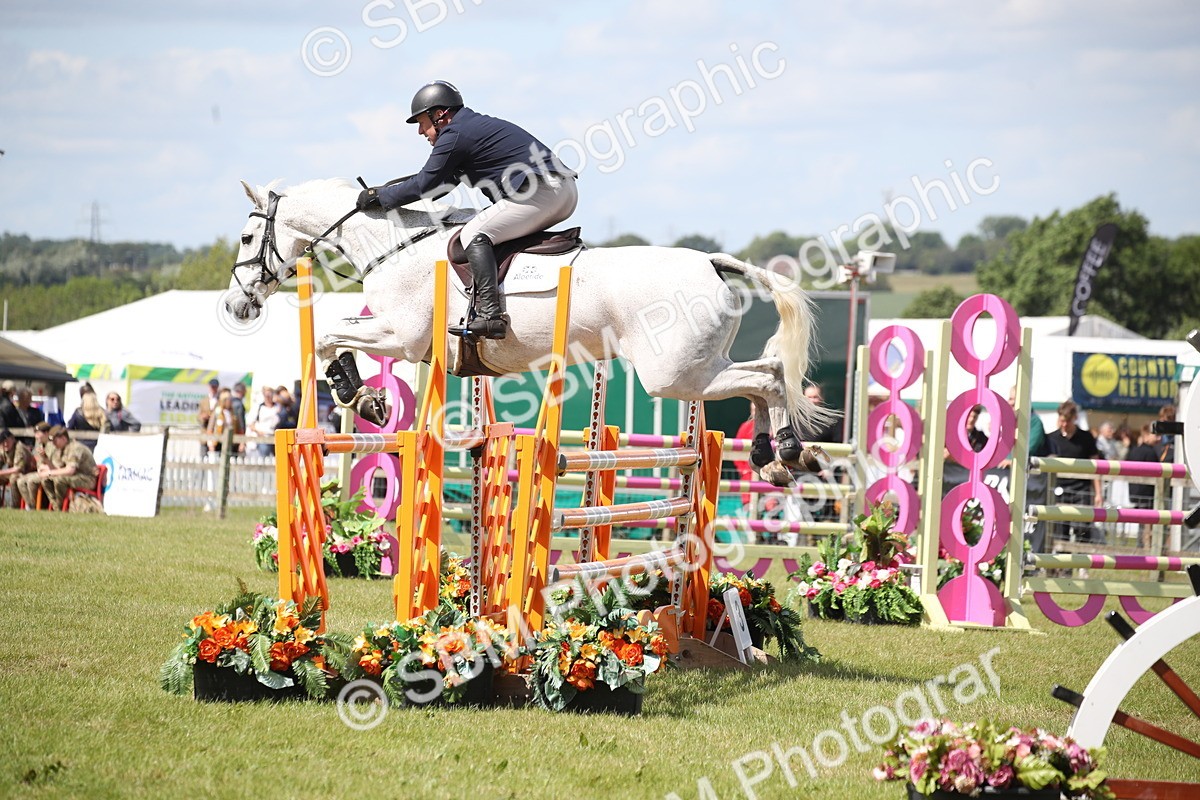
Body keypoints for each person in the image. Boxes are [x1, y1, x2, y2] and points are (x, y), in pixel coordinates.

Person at [359, 80, 578, 340]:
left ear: (439, 115)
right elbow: (440, 185)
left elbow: (425, 183)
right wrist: (387, 194)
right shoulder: (467, 128)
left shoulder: (455, 134)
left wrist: (380, 197)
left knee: (473, 234)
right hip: (558, 190)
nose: (420, 131)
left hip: (542, 192)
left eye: (421, 122)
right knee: (489, 229)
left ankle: (491, 315)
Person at [1045, 399, 1102, 543]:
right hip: (1059, 489)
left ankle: (1083, 556)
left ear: (1075, 418)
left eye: (1068, 421)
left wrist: (1098, 493)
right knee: (1060, 531)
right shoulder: (1051, 438)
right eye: (1062, 420)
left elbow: (1095, 466)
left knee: (1083, 530)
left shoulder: (1086, 438)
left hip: (1081, 490)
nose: (1064, 424)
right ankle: (1060, 558)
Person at [36, 425, 97, 510]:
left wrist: (49, 473)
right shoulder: (61, 449)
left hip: (87, 479)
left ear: (63, 438)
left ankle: (61, 508)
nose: (53, 444)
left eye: (55, 441)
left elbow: (70, 470)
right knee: (46, 480)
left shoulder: (75, 448)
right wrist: (46, 460)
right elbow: (58, 469)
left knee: (59, 480)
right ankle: (55, 506)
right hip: (74, 477)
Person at [16, 421, 54, 510]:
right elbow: (38, 462)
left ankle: (34, 506)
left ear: (46, 433)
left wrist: (43, 467)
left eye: (38, 433)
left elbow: (55, 464)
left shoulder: (53, 445)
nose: (36, 436)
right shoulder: (40, 445)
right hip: (40, 472)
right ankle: (29, 505)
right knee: (20, 481)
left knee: (31, 481)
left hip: (51, 472)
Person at [0, 427, 33, 508]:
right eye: (3, 442)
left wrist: (1, 472)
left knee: (13, 478)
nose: (5, 444)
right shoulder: (3, 449)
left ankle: (15, 506)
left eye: (7, 441)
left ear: (13, 439)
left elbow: (18, 469)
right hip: (15, 472)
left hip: (28, 472)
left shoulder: (19, 448)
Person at [248, 386, 280, 458]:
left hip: (275, 437)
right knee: (264, 458)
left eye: (270, 395)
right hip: (262, 438)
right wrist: (258, 432)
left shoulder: (277, 407)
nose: (268, 397)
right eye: (266, 395)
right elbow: (250, 423)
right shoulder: (258, 407)